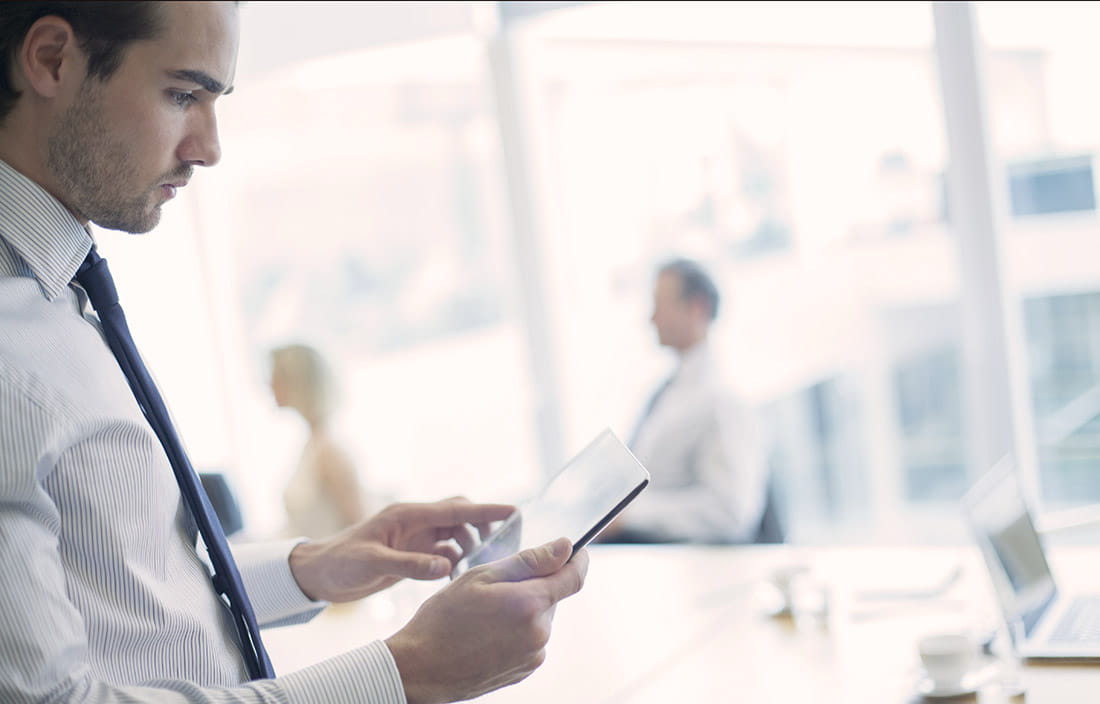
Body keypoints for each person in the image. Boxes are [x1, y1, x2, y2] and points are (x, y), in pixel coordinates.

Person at [0, 3, 587, 703]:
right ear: (52, 61)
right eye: (182, 95)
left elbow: (127, 592)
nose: (209, 148)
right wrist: (409, 672)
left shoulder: (55, 297)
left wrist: (315, 566)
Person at [598, 257, 772, 544]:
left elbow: (730, 512)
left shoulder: (719, 403)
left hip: (678, 560)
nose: (651, 319)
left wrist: (630, 516)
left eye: (660, 306)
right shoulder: (667, 391)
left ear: (696, 307)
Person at [269, 343, 371, 539]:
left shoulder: (330, 452)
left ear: (297, 381)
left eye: (276, 376)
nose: (269, 384)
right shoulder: (312, 446)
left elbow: (364, 531)